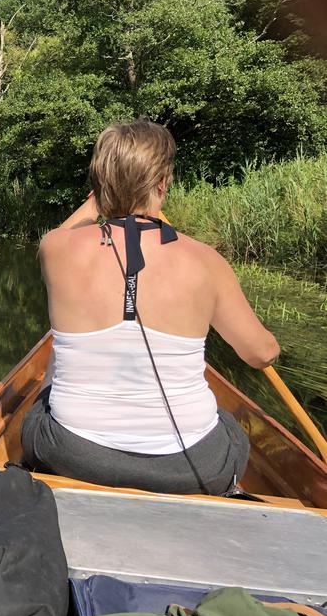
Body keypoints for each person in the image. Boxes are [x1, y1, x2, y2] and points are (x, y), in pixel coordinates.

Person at [21, 120, 280, 495]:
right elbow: (261, 354)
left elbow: (67, 230)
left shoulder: (55, 249)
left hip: (74, 455)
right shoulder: (207, 261)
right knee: (230, 429)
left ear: (98, 184)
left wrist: (104, 197)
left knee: (37, 407)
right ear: (162, 183)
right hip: (193, 467)